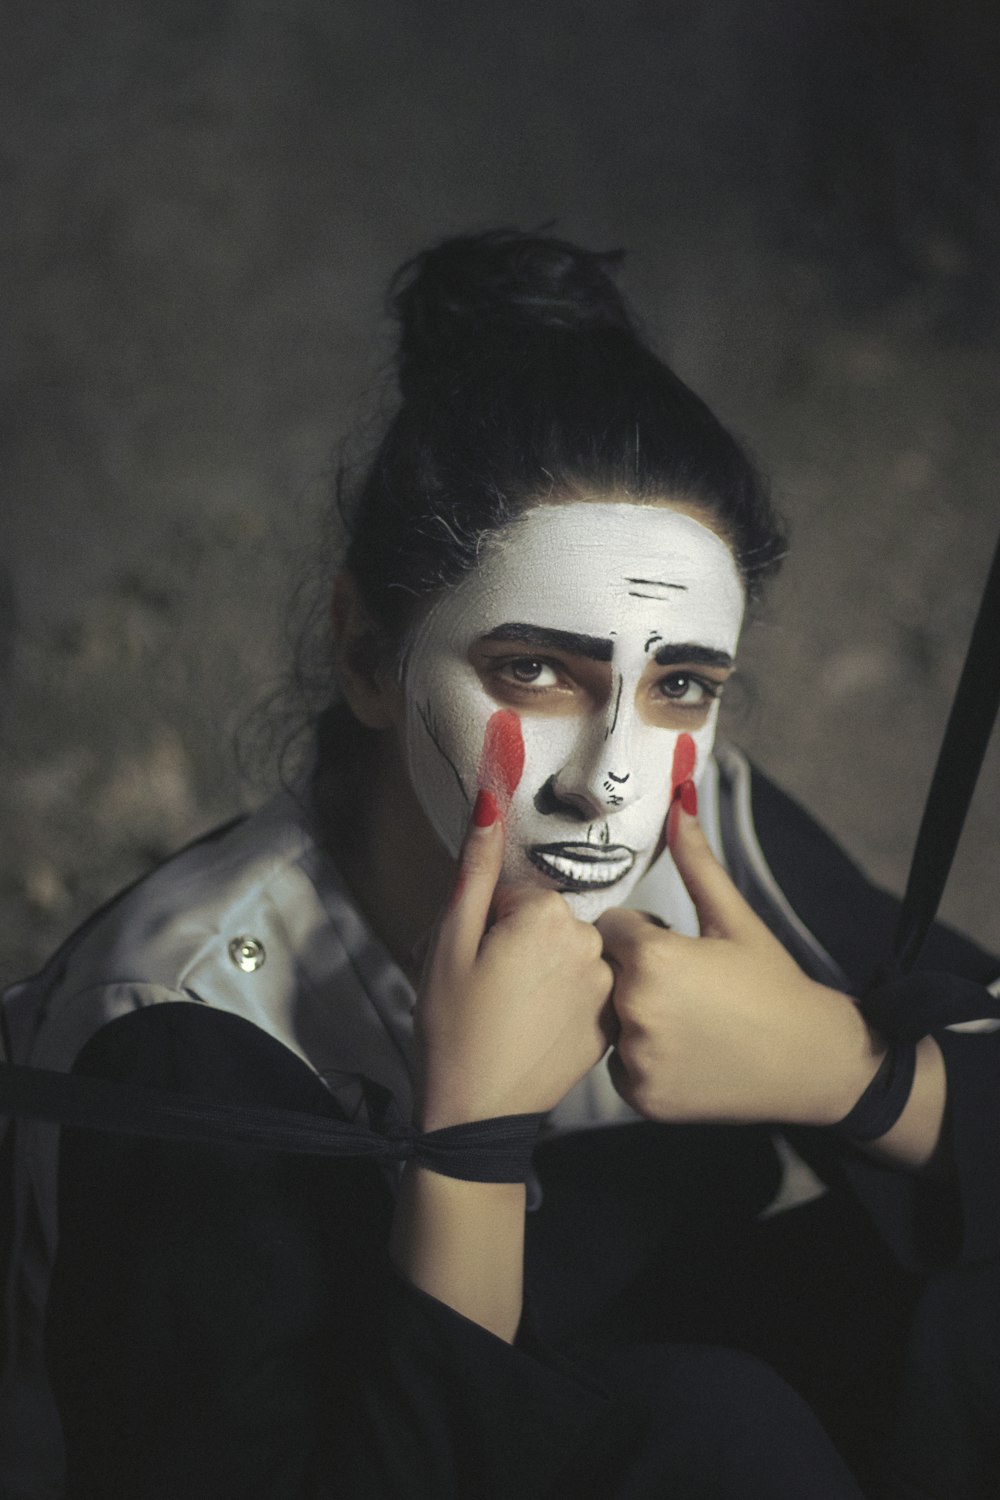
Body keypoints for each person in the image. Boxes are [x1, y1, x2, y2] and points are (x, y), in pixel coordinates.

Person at [1, 229, 998, 1500]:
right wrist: (466, 1148)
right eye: (534, 671)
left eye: (681, 685)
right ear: (367, 653)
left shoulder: (707, 842)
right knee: (711, 1428)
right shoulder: (181, 1024)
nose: (606, 779)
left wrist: (853, 1078)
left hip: (618, 1380)